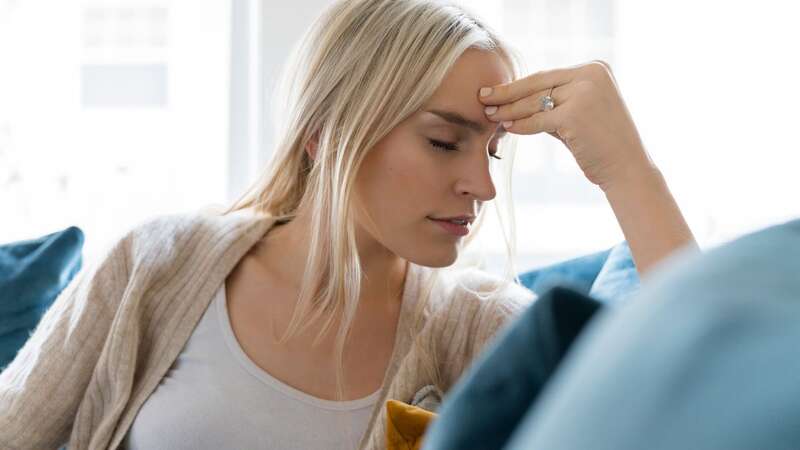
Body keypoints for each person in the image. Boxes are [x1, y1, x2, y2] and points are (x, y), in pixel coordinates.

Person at [0, 0, 696, 449]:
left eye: (491, 150)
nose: (482, 184)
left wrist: (630, 173)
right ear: (325, 134)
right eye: (443, 140)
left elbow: (699, 407)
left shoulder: (477, 329)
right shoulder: (159, 263)